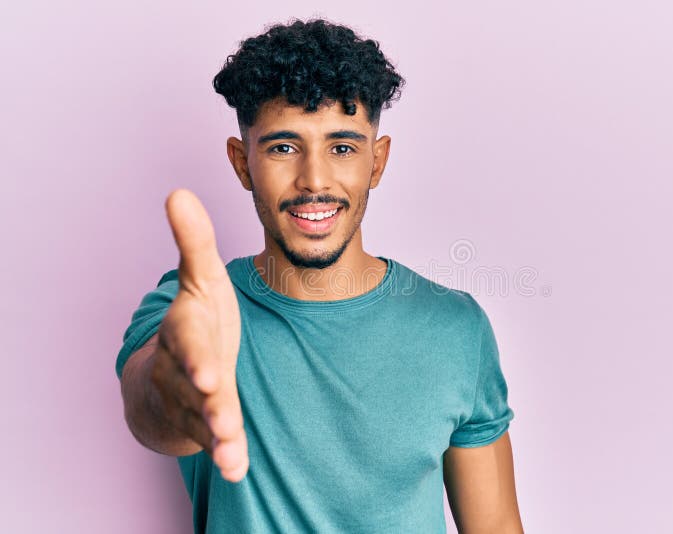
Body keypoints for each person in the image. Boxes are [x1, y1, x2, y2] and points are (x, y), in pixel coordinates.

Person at [116, 18, 523, 533]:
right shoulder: (191, 307)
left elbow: (495, 526)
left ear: (377, 162)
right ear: (243, 164)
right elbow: (152, 409)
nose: (314, 180)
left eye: (342, 147)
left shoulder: (456, 328)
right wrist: (181, 384)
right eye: (283, 147)